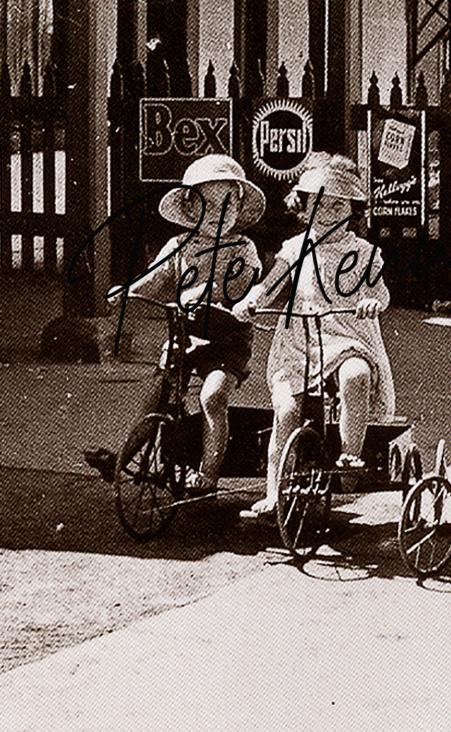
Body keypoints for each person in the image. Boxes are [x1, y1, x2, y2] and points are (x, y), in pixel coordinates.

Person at [233, 153, 394, 519]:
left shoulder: (363, 252)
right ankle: (274, 490)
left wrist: (373, 301)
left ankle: (351, 454)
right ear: (303, 207)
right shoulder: (295, 248)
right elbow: (269, 286)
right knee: (286, 410)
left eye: (338, 205)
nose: (328, 212)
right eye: (319, 204)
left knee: (357, 375)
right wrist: (251, 300)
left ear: (352, 209)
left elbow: (381, 292)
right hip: (299, 341)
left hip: (344, 335)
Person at [108, 153, 265, 493]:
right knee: (157, 396)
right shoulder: (178, 246)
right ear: (191, 210)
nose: (218, 214)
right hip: (185, 336)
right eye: (206, 205)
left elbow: (241, 286)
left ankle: (208, 473)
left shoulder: (243, 248)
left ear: (238, 210)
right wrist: (128, 291)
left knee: (212, 396)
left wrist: (212, 290)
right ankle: (122, 459)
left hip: (227, 342)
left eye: (227, 205)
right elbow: (156, 277)